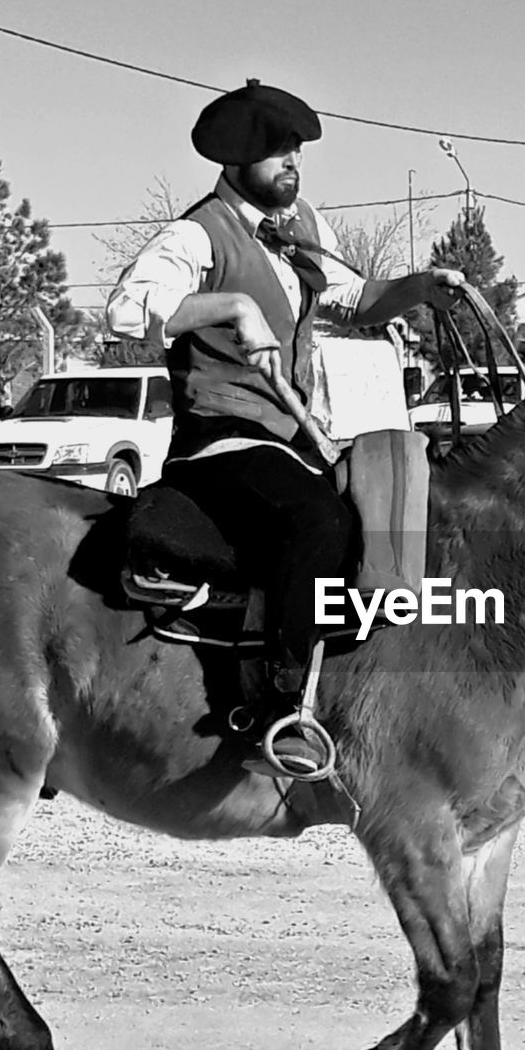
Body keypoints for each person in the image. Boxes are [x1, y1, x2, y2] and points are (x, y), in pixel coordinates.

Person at [106, 78, 464, 772]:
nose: (293, 162)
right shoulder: (196, 234)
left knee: (395, 496)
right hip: (221, 438)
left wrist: (419, 286)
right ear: (239, 161)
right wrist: (227, 306)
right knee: (317, 520)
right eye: (278, 151)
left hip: (294, 436)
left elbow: (358, 299)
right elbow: (125, 312)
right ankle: (284, 706)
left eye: (297, 149)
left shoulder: (302, 226)